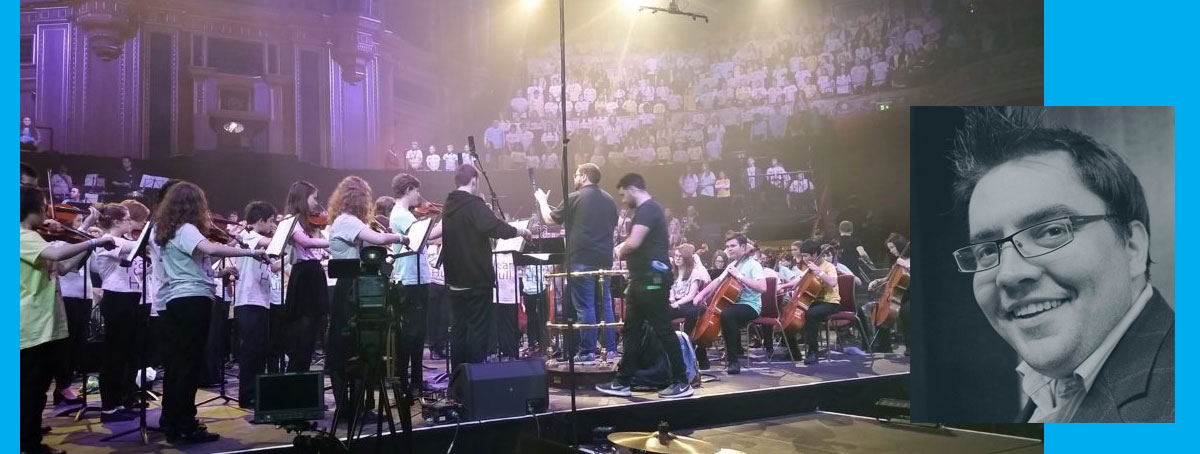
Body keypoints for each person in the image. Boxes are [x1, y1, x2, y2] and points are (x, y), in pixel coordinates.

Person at [948, 107, 1171, 422]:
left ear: (1133, 247)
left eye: (1052, 231)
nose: (1009, 274)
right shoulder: (1050, 391)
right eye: (987, 251)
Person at [154, 181, 265, 444]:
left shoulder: (168, 229)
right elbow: (212, 248)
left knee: (178, 365)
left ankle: (172, 420)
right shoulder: (187, 228)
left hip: (176, 299)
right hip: (192, 300)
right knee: (189, 365)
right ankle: (185, 423)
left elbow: (189, 265)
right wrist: (250, 252)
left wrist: (217, 272)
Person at [21, 185, 116, 454]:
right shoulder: (20, 235)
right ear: (33, 209)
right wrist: (93, 242)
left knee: (36, 388)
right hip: (30, 322)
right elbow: (56, 255)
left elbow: (64, 267)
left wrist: (85, 246)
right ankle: (26, 444)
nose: (47, 212)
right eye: (43, 207)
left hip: (44, 322)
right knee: (29, 389)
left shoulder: (32, 236)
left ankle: (30, 439)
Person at [595, 173, 693, 399]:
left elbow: (634, 242)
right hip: (642, 281)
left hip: (652, 281)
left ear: (632, 189)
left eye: (622, 195)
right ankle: (622, 382)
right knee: (631, 332)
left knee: (663, 330)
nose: (622, 200)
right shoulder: (646, 210)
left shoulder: (649, 209)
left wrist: (619, 249)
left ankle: (681, 382)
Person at [323, 176, 408, 413]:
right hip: (351, 288)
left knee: (350, 346)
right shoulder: (348, 221)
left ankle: (355, 407)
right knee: (353, 346)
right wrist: (401, 237)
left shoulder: (342, 220)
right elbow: (379, 239)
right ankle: (351, 410)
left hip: (350, 286)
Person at [443, 164, 531, 369]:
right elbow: (494, 227)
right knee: (476, 330)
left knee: (458, 330)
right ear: (474, 180)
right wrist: (520, 231)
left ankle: (458, 380)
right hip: (475, 279)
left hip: (455, 280)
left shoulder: (449, 205)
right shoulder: (473, 203)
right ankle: (474, 378)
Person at [533, 163, 618, 361]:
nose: (574, 178)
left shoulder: (575, 197)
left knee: (585, 307)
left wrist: (542, 201)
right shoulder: (609, 199)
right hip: (604, 259)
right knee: (604, 304)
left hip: (581, 259)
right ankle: (611, 350)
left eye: (576, 175)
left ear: (585, 176)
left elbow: (549, 219)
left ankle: (588, 352)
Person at [87, 203, 147, 421]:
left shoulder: (123, 242)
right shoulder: (109, 242)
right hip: (116, 298)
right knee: (114, 355)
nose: (130, 222)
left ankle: (120, 401)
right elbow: (135, 246)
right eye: (127, 219)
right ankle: (108, 407)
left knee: (125, 354)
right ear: (116, 222)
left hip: (130, 297)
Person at [389, 173, 445, 393]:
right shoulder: (402, 215)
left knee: (417, 333)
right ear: (408, 190)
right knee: (411, 334)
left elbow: (428, 238)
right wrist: (447, 219)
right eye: (416, 191)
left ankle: (415, 382)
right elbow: (426, 236)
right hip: (410, 279)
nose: (419, 196)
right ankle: (406, 383)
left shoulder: (405, 215)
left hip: (417, 277)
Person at [693, 234, 767, 374]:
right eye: (727, 246)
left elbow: (762, 288)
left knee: (727, 315)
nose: (729, 249)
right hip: (733, 304)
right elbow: (717, 282)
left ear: (743, 247)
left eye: (733, 246)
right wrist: (701, 294)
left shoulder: (753, 265)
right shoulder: (732, 265)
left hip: (751, 306)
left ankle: (733, 361)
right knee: (702, 311)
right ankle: (701, 355)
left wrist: (739, 276)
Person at [232, 201, 281, 408]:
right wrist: (285, 235)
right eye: (270, 221)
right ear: (259, 221)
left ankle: (258, 391)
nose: (272, 226)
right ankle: (247, 394)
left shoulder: (260, 241)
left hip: (262, 300)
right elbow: (272, 245)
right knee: (251, 349)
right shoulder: (248, 235)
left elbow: (275, 266)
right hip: (248, 299)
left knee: (260, 348)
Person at [280, 181, 331, 374]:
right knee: (303, 329)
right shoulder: (290, 220)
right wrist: (329, 242)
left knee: (314, 328)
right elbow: (305, 242)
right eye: (314, 198)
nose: (317, 202)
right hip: (304, 275)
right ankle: (296, 375)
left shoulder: (310, 221)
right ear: (303, 198)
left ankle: (304, 373)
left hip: (315, 272)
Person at [780, 239, 841, 365]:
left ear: (814, 254)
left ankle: (813, 352)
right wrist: (782, 286)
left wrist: (818, 271)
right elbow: (798, 281)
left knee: (811, 314)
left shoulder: (829, 267)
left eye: (806, 256)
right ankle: (794, 351)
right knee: (788, 315)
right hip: (814, 302)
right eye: (802, 256)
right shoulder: (808, 268)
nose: (803, 259)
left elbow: (833, 282)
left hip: (830, 303)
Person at [666, 244, 713, 369]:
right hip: (674, 302)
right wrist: (671, 300)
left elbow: (691, 296)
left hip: (689, 303)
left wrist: (677, 303)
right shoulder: (672, 273)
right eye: (676, 256)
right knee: (660, 312)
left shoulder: (695, 273)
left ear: (686, 258)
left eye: (680, 256)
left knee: (694, 313)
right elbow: (670, 290)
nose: (677, 259)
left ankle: (688, 343)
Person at [865, 233, 909, 354]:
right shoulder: (898, 261)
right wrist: (877, 281)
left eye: (892, 247)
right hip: (895, 295)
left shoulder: (908, 260)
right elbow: (890, 277)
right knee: (879, 309)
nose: (891, 251)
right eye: (889, 248)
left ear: (899, 245)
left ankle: (910, 346)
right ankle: (884, 345)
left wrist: (905, 264)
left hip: (908, 295)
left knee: (906, 312)